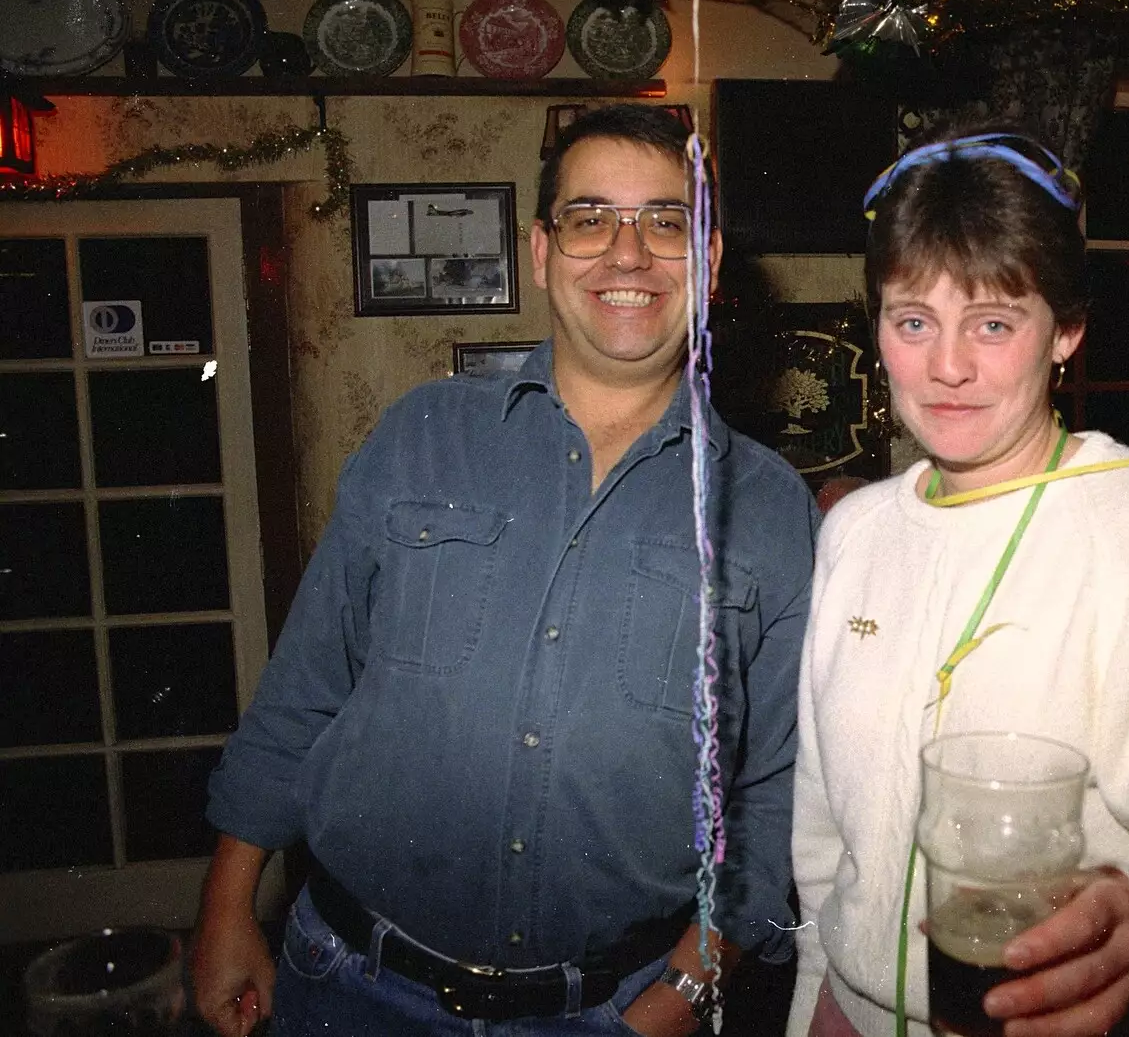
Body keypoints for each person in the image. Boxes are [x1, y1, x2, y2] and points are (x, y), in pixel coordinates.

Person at [190, 104, 818, 1037]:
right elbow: (306, 688)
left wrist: (683, 993)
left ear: (711, 260)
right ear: (540, 250)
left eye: (665, 222)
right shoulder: (419, 437)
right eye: (589, 217)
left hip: (613, 1010)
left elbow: (775, 793)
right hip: (348, 985)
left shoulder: (770, 509)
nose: (627, 253)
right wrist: (225, 906)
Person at [787, 125, 1129, 1037]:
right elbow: (822, 850)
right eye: (912, 319)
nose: (947, 365)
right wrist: (817, 1006)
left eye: (994, 323)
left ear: (1066, 332)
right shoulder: (857, 531)